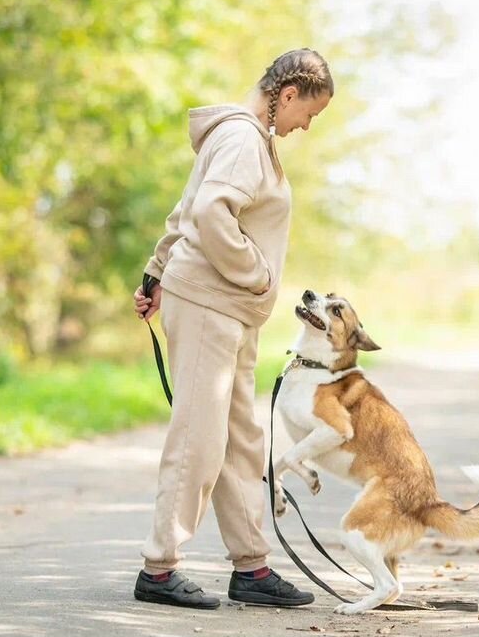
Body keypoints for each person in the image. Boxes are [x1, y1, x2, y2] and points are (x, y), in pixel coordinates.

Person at [131, 48, 334, 610]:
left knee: (241, 439)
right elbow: (210, 213)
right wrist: (257, 273)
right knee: (198, 436)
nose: (306, 126)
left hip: (229, 308)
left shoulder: (246, 140)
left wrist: (154, 272)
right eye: (309, 114)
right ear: (288, 94)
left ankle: (252, 565)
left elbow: (184, 211)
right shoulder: (244, 139)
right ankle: (161, 566)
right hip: (211, 302)